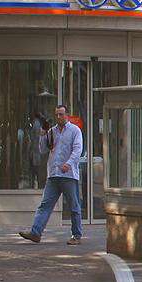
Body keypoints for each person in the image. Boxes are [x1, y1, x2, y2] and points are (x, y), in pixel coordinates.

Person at [19, 105, 84, 245]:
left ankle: (76, 235)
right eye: (57, 114)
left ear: (67, 115)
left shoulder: (74, 130)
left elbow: (78, 150)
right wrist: (43, 134)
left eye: (61, 114)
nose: (59, 117)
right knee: (45, 205)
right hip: (54, 174)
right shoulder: (52, 131)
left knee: (74, 206)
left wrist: (69, 163)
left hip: (68, 175)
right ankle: (36, 232)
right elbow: (43, 149)